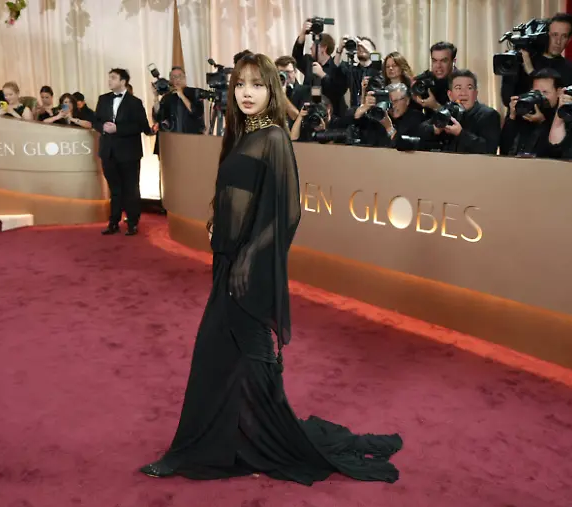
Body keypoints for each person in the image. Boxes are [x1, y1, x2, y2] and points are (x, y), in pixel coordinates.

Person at [138, 53, 402, 485]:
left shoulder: (275, 137)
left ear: (272, 91)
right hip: (229, 258)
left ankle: (202, 451)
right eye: (240, 84)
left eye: (257, 84)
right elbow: (237, 194)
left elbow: (288, 212)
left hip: (249, 265)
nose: (246, 92)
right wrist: (215, 221)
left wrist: (248, 255)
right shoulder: (242, 134)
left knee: (231, 357)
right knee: (227, 359)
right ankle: (233, 441)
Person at [93, 68, 150, 236]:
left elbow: (141, 126)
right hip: (108, 152)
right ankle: (113, 222)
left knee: (131, 188)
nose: (109, 81)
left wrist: (118, 129)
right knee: (114, 188)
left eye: (113, 78)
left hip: (128, 153)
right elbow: (96, 121)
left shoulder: (135, 102)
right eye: (109, 77)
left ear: (123, 81)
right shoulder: (103, 99)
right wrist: (102, 127)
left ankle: (133, 222)